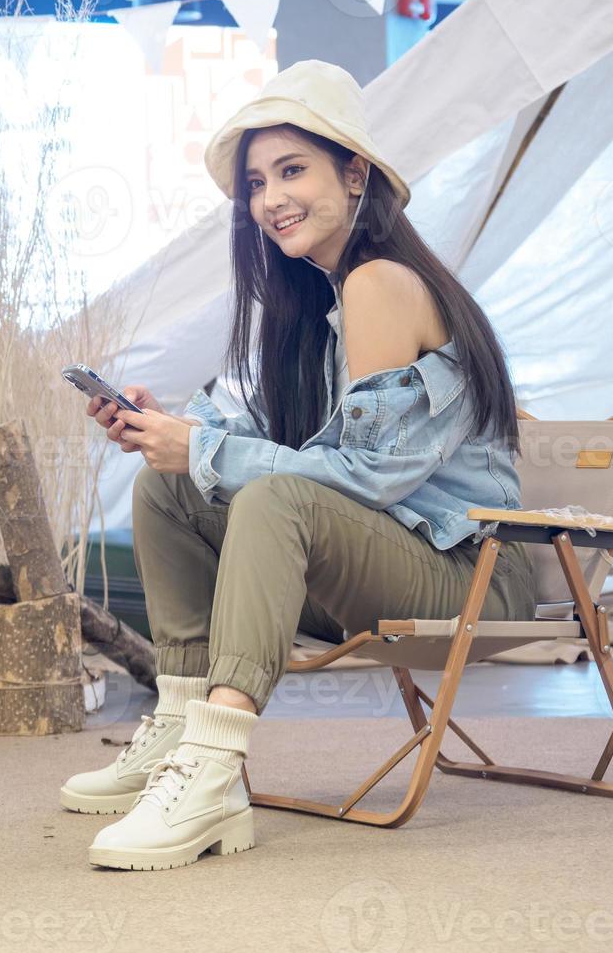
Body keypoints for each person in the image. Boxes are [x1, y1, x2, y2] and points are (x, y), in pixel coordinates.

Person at [61, 59, 536, 871]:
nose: (269, 199)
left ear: (354, 174)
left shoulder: (380, 283)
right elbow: (298, 449)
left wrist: (204, 449)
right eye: (256, 183)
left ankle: (211, 769)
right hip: (386, 553)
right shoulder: (317, 305)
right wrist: (177, 433)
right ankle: (179, 726)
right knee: (167, 487)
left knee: (267, 497)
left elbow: (368, 478)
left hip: (472, 568)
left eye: (292, 171)